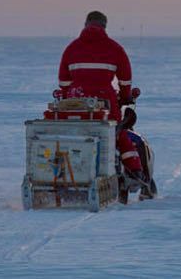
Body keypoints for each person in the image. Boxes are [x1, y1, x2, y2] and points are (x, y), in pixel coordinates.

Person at [56, 11, 146, 183]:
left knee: (75, 132)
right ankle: (135, 171)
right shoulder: (115, 48)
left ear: (85, 24)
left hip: (77, 101)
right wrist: (126, 96)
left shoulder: (72, 48)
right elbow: (125, 79)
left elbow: (64, 81)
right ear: (104, 25)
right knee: (117, 134)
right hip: (106, 101)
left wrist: (68, 96)